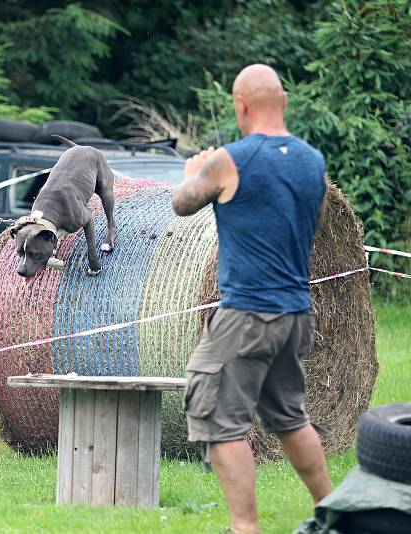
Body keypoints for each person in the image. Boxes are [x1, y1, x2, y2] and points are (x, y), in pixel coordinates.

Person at [171, 64, 331, 534]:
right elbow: (315, 222)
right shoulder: (311, 161)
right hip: (295, 313)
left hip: (246, 313)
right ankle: (338, 514)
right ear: (283, 101)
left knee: (217, 414)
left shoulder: (229, 159)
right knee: (288, 418)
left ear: (241, 106)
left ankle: (245, 528)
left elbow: (182, 203)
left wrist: (192, 171)